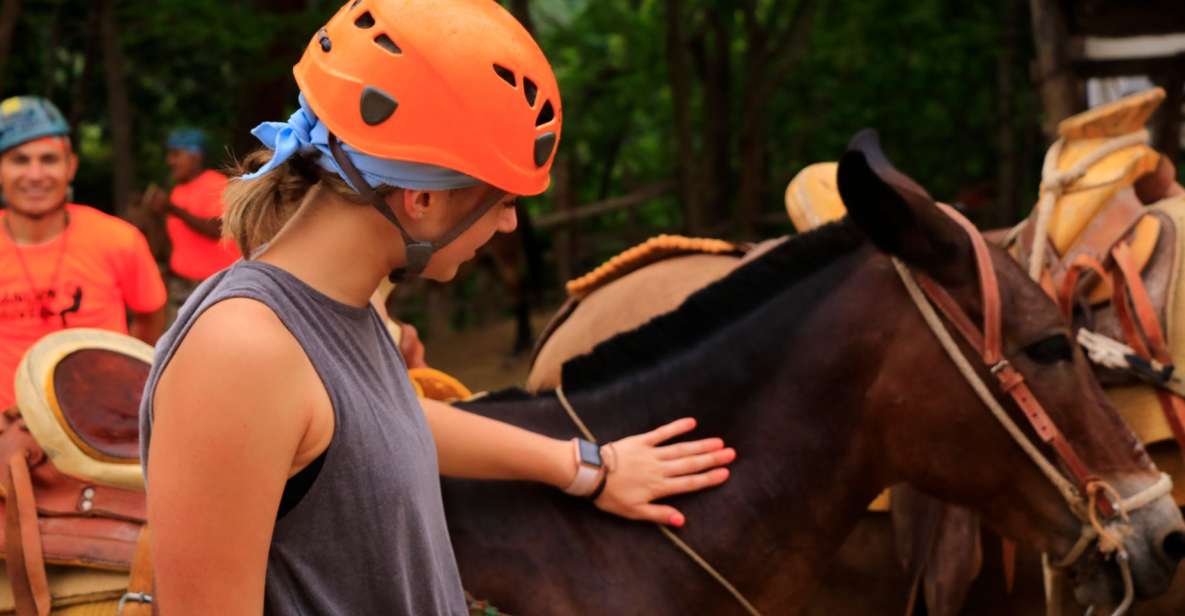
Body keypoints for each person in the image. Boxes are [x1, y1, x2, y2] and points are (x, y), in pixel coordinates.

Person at [139, 1, 736, 614]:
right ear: (422, 198)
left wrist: (587, 467)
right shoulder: (243, 354)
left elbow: (373, 424)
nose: (507, 225)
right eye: (503, 200)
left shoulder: (340, 309)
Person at [0, 96, 166, 409]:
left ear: (70, 166)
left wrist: (126, 380)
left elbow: (151, 312)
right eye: (19, 160)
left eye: (48, 159)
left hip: (96, 427)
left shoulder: (118, 239)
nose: (35, 175)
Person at [145, 128, 240, 313]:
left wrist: (173, 209)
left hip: (216, 285)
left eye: (176, 155)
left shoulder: (217, 184)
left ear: (195, 156)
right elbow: (168, 246)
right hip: (181, 286)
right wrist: (154, 216)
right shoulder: (177, 192)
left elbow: (219, 230)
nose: (170, 161)